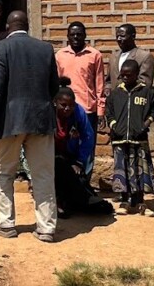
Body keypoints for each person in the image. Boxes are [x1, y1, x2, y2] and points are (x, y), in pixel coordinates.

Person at [0, 10, 60, 243]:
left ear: (7, 27)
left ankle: (6, 223)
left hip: (9, 121)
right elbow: (54, 87)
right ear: (28, 25)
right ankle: (46, 228)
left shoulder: (0, 49)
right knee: (43, 174)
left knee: (4, 172)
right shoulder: (45, 49)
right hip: (41, 119)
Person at [53, 78, 114, 219]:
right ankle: (57, 202)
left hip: (70, 155)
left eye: (71, 105)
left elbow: (88, 137)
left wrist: (79, 161)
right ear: (55, 103)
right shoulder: (48, 113)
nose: (67, 109)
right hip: (50, 155)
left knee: (77, 180)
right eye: (63, 105)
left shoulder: (78, 112)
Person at [106, 59, 154, 216]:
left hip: (139, 140)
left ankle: (140, 202)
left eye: (128, 75)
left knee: (140, 171)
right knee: (122, 171)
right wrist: (114, 126)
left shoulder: (146, 93)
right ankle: (124, 202)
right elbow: (109, 113)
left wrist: (145, 125)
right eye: (123, 75)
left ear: (136, 74)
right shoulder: (116, 94)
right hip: (120, 139)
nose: (125, 78)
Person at [55, 21, 105, 177]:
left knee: (87, 144)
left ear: (85, 36)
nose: (76, 37)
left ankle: (85, 180)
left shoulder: (95, 55)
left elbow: (99, 84)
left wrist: (101, 111)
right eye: (72, 34)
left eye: (79, 34)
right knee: (66, 145)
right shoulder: (60, 55)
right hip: (65, 110)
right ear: (67, 36)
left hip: (87, 108)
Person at [108, 24, 154, 90]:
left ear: (133, 36)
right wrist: (107, 89)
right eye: (117, 36)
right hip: (114, 96)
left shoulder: (144, 56)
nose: (119, 39)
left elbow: (145, 83)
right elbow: (109, 81)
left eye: (122, 36)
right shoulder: (113, 57)